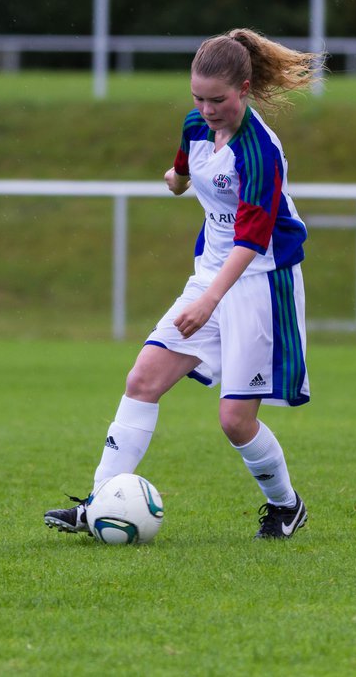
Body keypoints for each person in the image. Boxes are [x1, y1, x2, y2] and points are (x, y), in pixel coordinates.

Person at [44, 28, 320, 541]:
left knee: (235, 421)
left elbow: (254, 239)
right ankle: (96, 503)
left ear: (244, 88)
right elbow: (185, 164)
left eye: (218, 99)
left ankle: (286, 506)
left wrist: (211, 299)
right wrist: (175, 179)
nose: (207, 108)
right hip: (210, 279)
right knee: (142, 380)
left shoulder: (260, 151)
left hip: (261, 283)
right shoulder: (197, 122)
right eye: (198, 97)